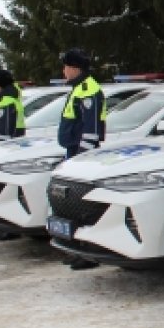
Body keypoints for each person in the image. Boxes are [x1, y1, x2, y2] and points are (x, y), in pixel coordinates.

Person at [57, 49, 106, 269]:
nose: (63, 71)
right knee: (74, 204)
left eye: (66, 66)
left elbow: (91, 129)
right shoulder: (79, 89)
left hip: (82, 156)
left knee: (84, 205)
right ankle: (79, 249)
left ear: (75, 68)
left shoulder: (88, 90)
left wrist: (82, 159)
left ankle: (89, 253)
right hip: (74, 154)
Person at [0, 70, 27, 240]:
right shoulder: (5, 101)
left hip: (5, 154)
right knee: (4, 191)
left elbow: (5, 133)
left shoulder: (7, 103)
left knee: (5, 191)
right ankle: (6, 227)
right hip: (4, 152)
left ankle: (8, 228)